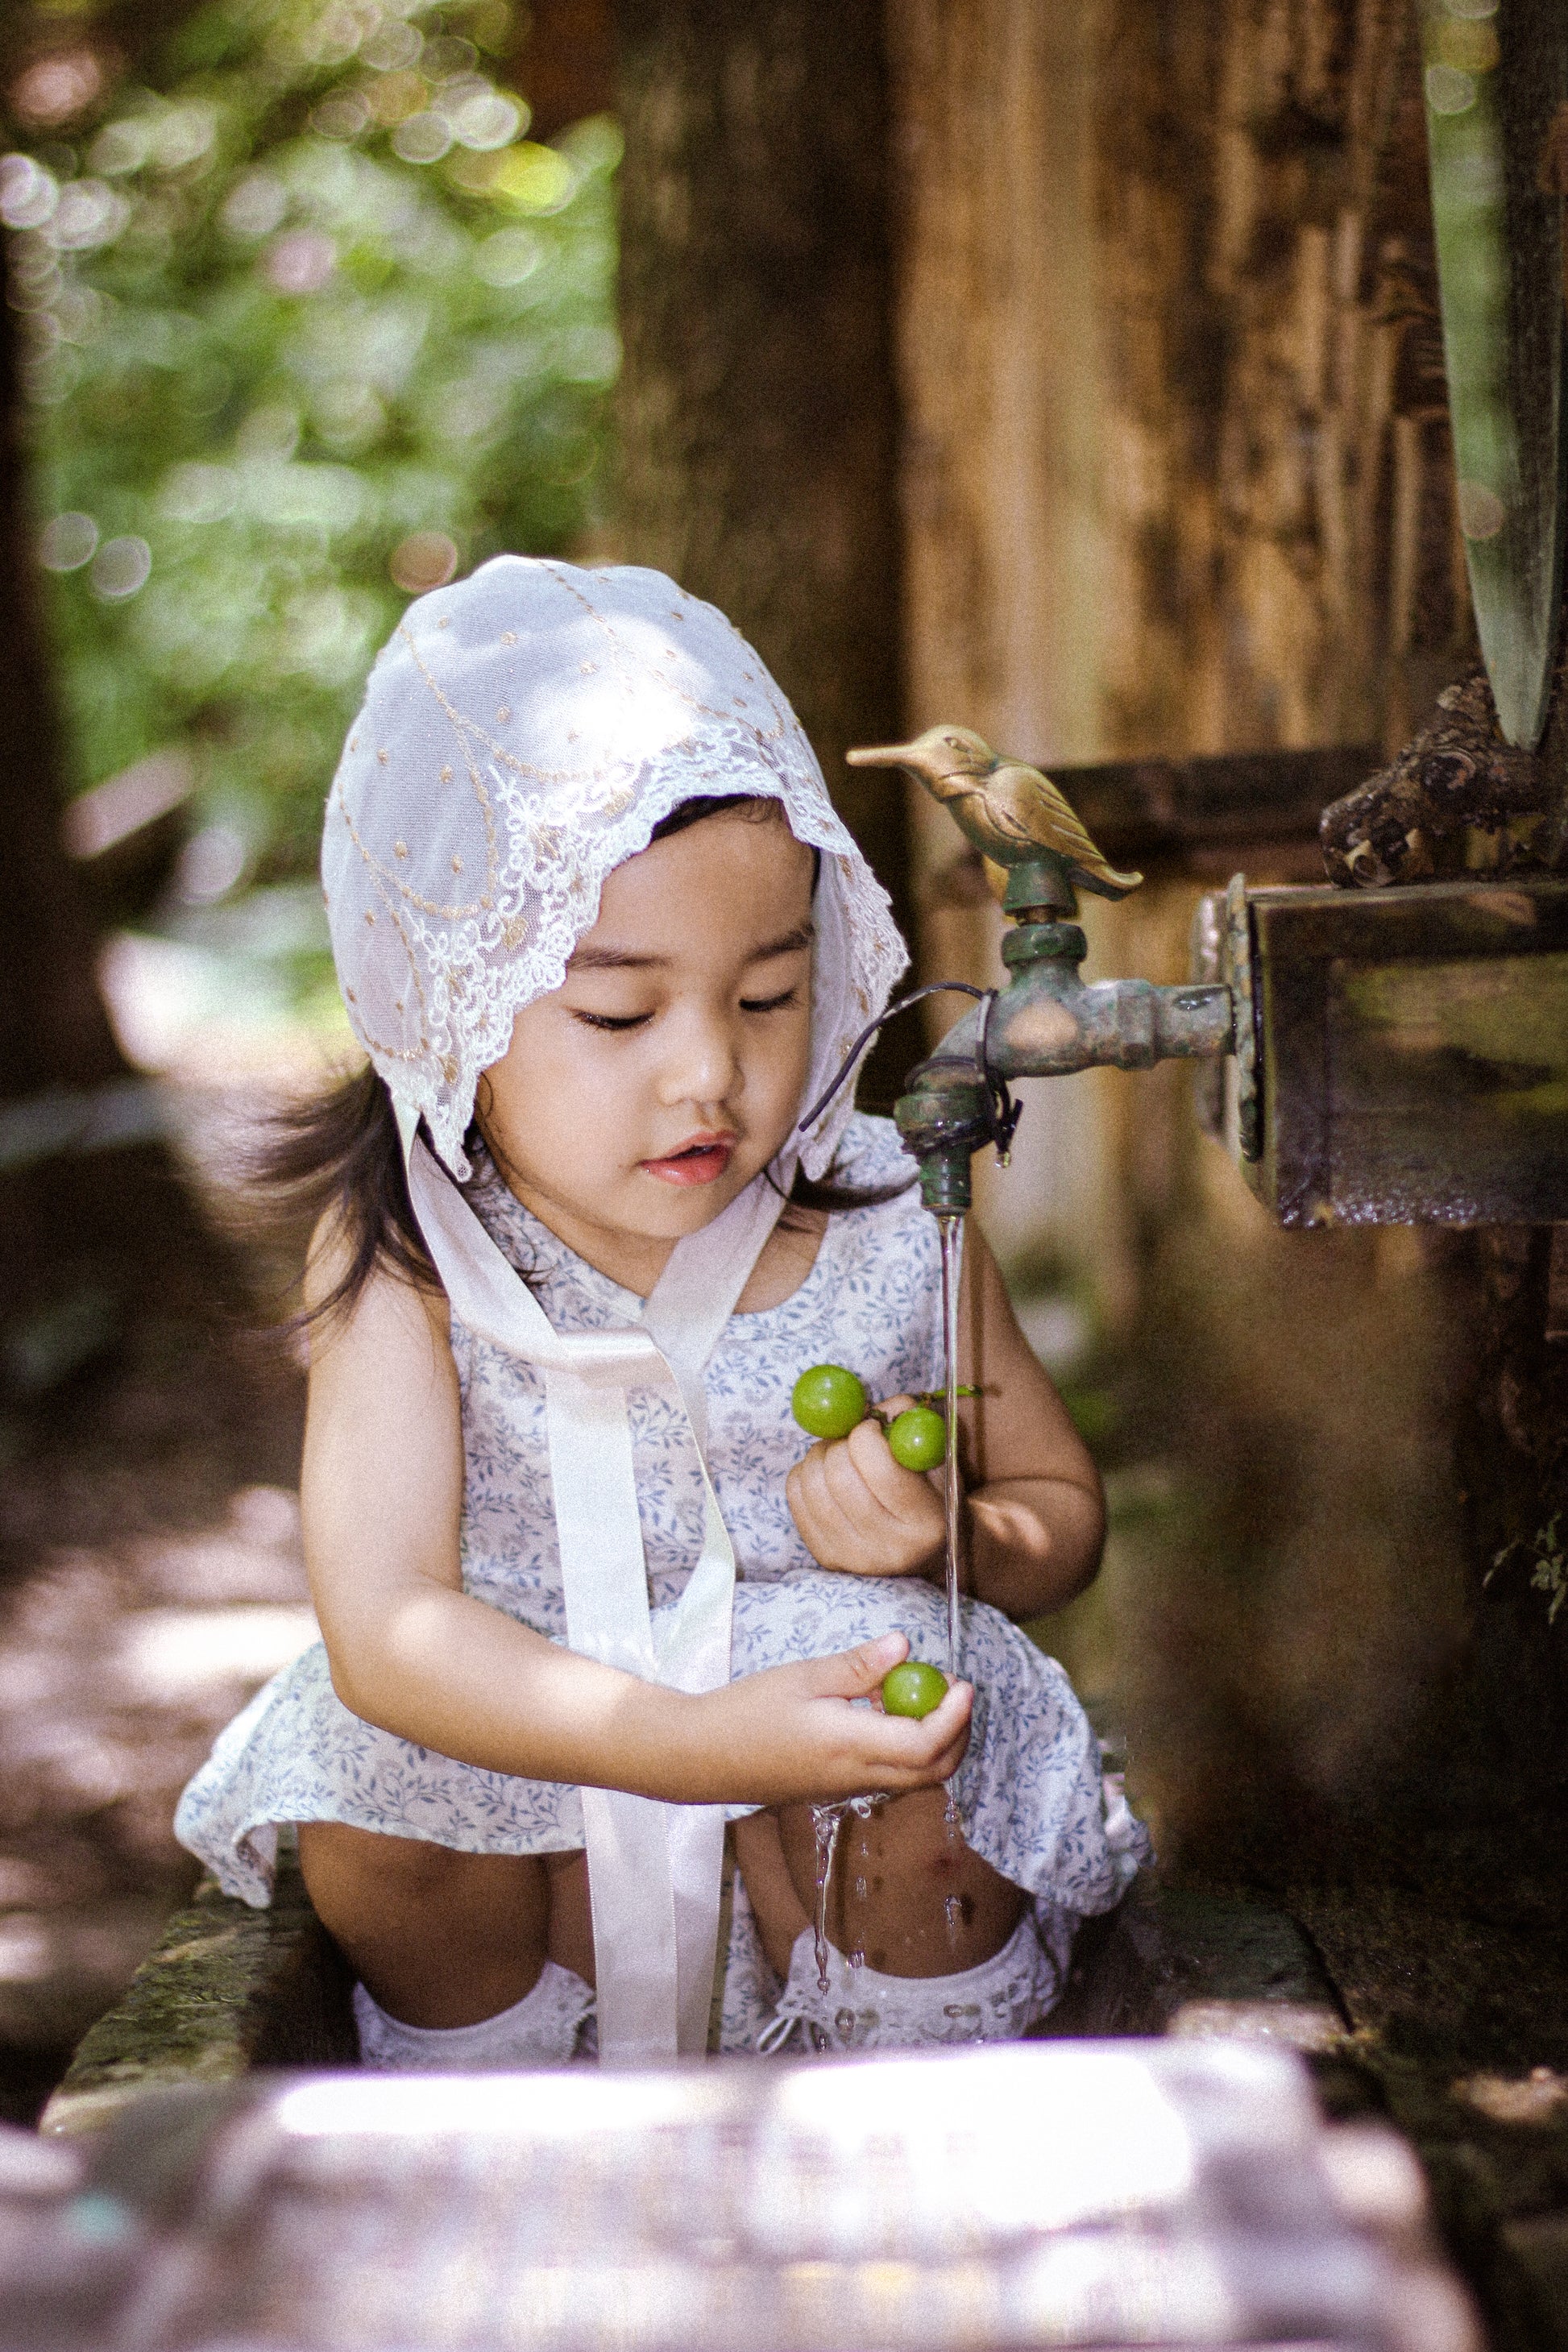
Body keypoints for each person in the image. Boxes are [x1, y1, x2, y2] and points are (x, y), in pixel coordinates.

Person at [176, 557, 1144, 2067]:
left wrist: (953, 1528)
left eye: (767, 996)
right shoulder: (412, 1255)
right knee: (375, 1774)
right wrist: (684, 1749)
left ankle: (902, 2109)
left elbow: (1057, 1512)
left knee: (927, 1719)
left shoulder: (895, 1216)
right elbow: (385, 1625)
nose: (709, 1075)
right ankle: (498, 2119)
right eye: (619, 1013)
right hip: (537, 1843)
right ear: (451, 999)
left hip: (831, 1868)